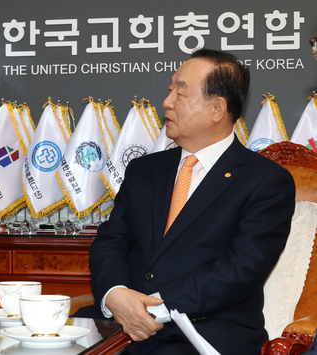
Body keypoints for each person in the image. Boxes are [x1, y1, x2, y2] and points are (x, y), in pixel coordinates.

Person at [87, 48, 296, 355]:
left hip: (204, 333)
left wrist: (151, 307)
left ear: (217, 108)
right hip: (122, 325)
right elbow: (110, 241)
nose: (167, 101)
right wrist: (116, 296)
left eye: (180, 93)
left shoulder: (265, 181)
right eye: (170, 89)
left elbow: (239, 270)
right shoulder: (145, 170)